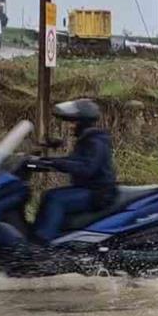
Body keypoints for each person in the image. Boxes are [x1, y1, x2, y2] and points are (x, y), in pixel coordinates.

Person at [30, 101, 117, 242]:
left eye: (73, 123)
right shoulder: (88, 140)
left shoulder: (95, 141)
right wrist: (44, 161)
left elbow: (86, 168)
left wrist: (55, 163)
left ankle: (44, 244)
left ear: (82, 123)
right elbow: (73, 161)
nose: (70, 127)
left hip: (98, 193)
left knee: (55, 199)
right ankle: (36, 236)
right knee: (48, 195)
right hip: (90, 189)